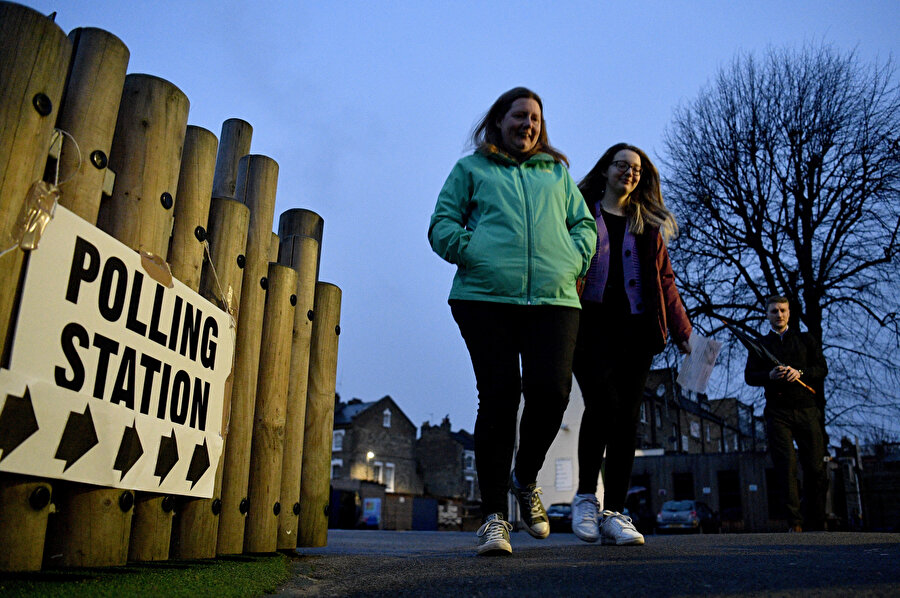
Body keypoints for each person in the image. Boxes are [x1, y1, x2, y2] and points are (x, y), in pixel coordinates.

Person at [428, 87, 597, 555]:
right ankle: (494, 517)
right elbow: (441, 224)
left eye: (536, 119)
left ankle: (526, 479)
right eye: (520, 116)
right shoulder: (471, 169)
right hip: (485, 298)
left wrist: (573, 259)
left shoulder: (556, 173)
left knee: (552, 393)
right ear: (499, 120)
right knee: (500, 397)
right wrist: (473, 252)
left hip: (554, 299)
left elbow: (584, 225)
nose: (529, 125)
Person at [569, 143, 692, 546]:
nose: (629, 172)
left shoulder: (648, 223)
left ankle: (616, 513)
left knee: (625, 420)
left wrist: (683, 331)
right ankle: (587, 498)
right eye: (622, 165)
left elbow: (666, 281)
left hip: (637, 333)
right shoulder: (581, 212)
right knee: (602, 405)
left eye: (637, 169)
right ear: (605, 170)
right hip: (589, 327)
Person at [744, 295, 828, 532]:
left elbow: (821, 369)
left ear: (789, 313)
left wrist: (799, 372)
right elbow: (750, 376)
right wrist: (768, 376)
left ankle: (817, 520)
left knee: (815, 467)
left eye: (782, 310)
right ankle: (795, 522)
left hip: (807, 410)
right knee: (786, 466)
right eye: (773, 311)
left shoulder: (805, 339)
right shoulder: (760, 345)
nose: (778, 315)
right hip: (777, 413)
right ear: (767, 315)